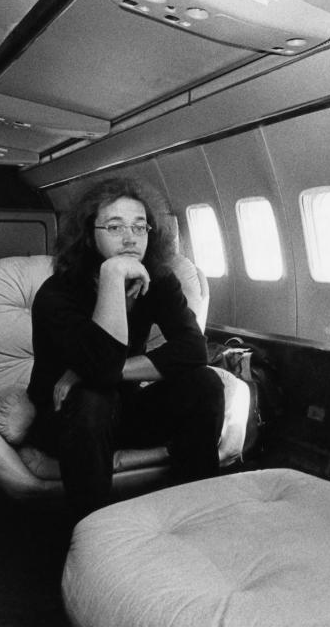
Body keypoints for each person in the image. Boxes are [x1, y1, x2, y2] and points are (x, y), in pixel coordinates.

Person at [25, 176, 225, 522]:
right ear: (89, 234)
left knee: (204, 382)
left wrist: (100, 371)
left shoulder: (158, 280)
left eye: (139, 227)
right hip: (66, 422)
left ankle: (196, 509)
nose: (130, 238)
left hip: (125, 411)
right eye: (115, 227)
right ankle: (94, 532)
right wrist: (114, 275)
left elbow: (193, 349)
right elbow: (100, 369)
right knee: (92, 396)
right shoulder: (57, 294)